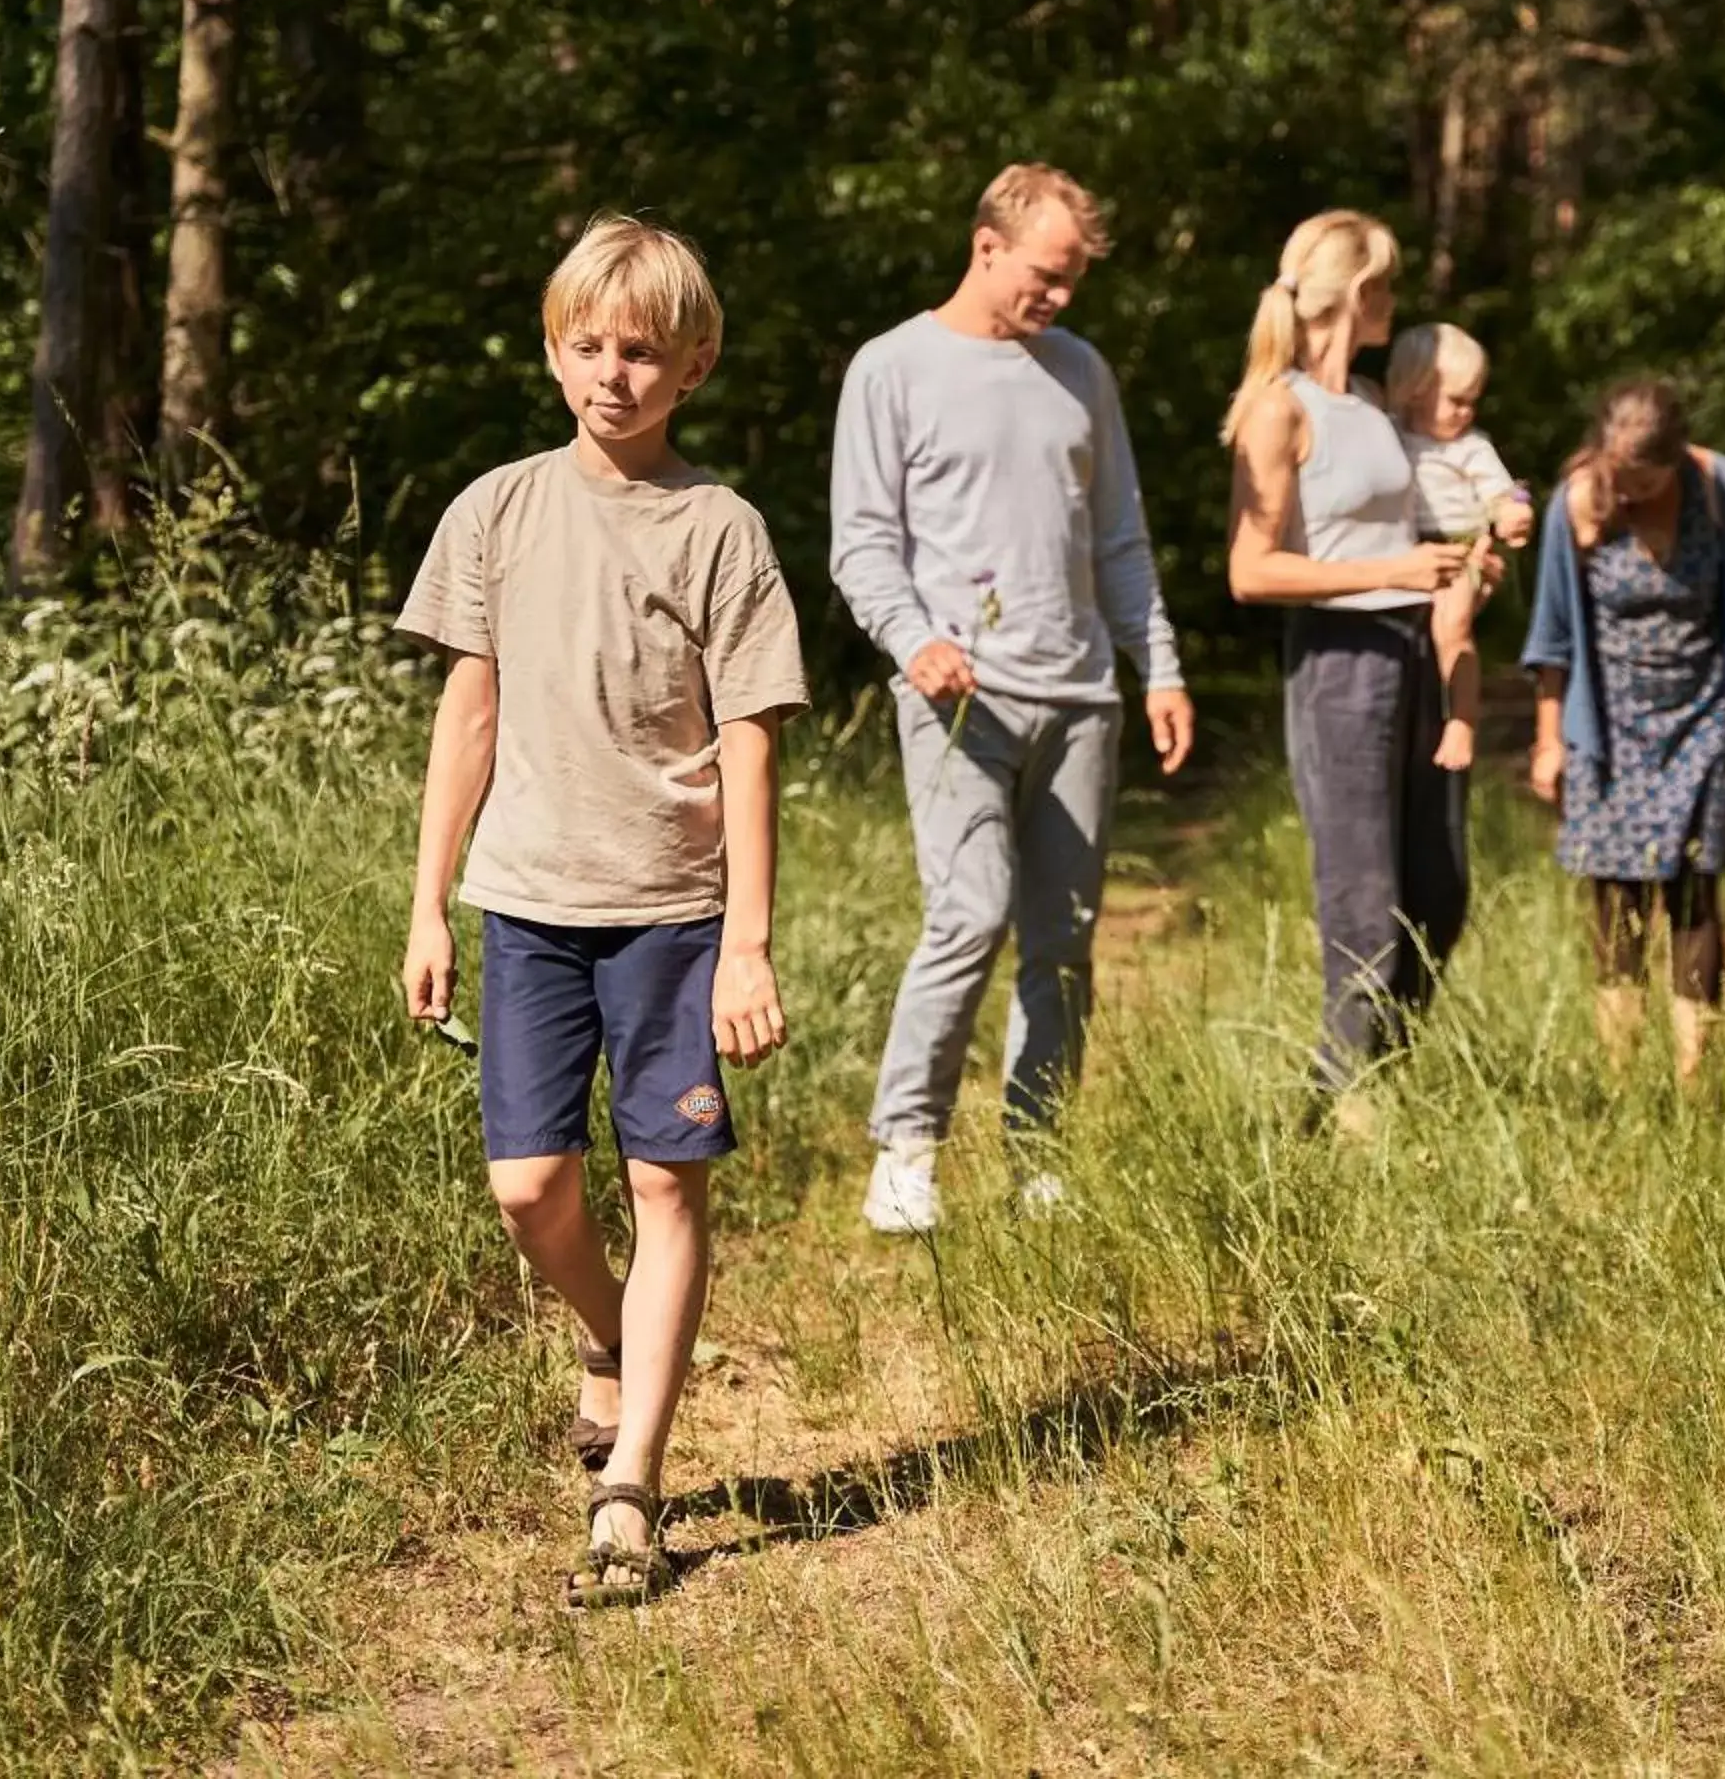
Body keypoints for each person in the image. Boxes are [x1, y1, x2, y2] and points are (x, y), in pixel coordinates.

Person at [398, 214, 809, 1607]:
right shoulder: (497, 510)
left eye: (642, 350)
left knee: (664, 1182)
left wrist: (745, 938)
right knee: (530, 1190)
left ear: (691, 364)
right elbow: (467, 718)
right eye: (588, 345)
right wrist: (430, 906)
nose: (612, 373)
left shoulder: (720, 528)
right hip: (523, 900)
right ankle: (606, 1331)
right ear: (554, 350)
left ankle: (632, 1486)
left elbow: (751, 737)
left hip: (673, 916)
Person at [829, 164, 1194, 1236]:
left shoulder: (1082, 373)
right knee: (970, 912)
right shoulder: (891, 368)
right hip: (959, 705)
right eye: (1049, 275)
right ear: (987, 246)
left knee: (1064, 940)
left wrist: (1158, 665)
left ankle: (1039, 1156)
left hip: (1081, 700)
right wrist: (913, 642)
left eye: (1075, 281)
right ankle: (907, 1145)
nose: (1063, 299)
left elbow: (1119, 538)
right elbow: (862, 543)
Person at [1224, 212, 1477, 1103]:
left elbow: (1419, 516)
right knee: (1365, 914)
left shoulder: (1369, 403)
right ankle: (1337, 1113)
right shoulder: (1277, 407)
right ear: (1362, 292)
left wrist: (1480, 538)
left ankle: (1385, 1082)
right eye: (1391, 286)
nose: (1395, 303)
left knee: (1439, 898)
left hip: (1415, 654)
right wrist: (1393, 569)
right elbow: (1250, 570)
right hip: (1339, 666)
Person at [1522, 379, 1725, 1085]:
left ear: (1676, 459)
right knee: (1616, 902)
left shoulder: (1724, 489)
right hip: (1608, 726)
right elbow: (1550, 635)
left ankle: (1694, 1084)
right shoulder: (1577, 501)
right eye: (1618, 472)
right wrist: (1550, 740)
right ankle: (1622, 1082)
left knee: (1696, 895)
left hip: (1706, 717)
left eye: (1642, 477)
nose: (1627, 490)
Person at [1384, 323, 1536, 772]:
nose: (1466, 412)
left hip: (1459, 549)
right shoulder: (1388, 432)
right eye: (1456, 400)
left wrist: (1515, 513)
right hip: (1405, 550)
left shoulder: (1471, 448)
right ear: (1414, 391)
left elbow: (1504, 493)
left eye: (1473, 401)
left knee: (1453, 626)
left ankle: (1463, 721)